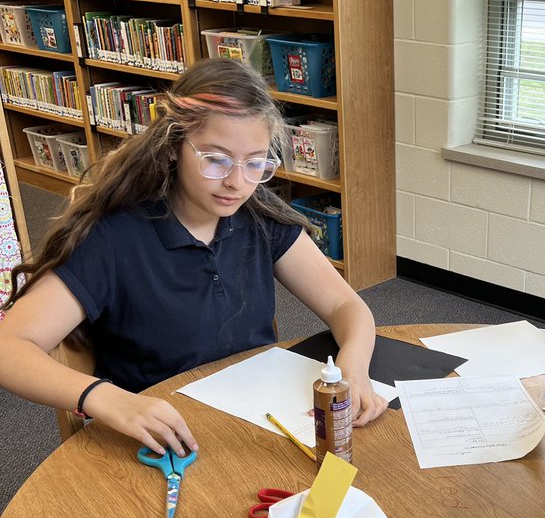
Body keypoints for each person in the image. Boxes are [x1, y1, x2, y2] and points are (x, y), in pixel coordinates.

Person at [0, 59, 387, 455]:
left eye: (256, 163)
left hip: (257, 422)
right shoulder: (115, 238)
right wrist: (107, 398)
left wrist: (353, 369)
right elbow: (9, 347)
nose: (237, 182)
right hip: (165, 440)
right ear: (172, 148)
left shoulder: (257, 212)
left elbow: (345, 304)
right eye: (216, 159)